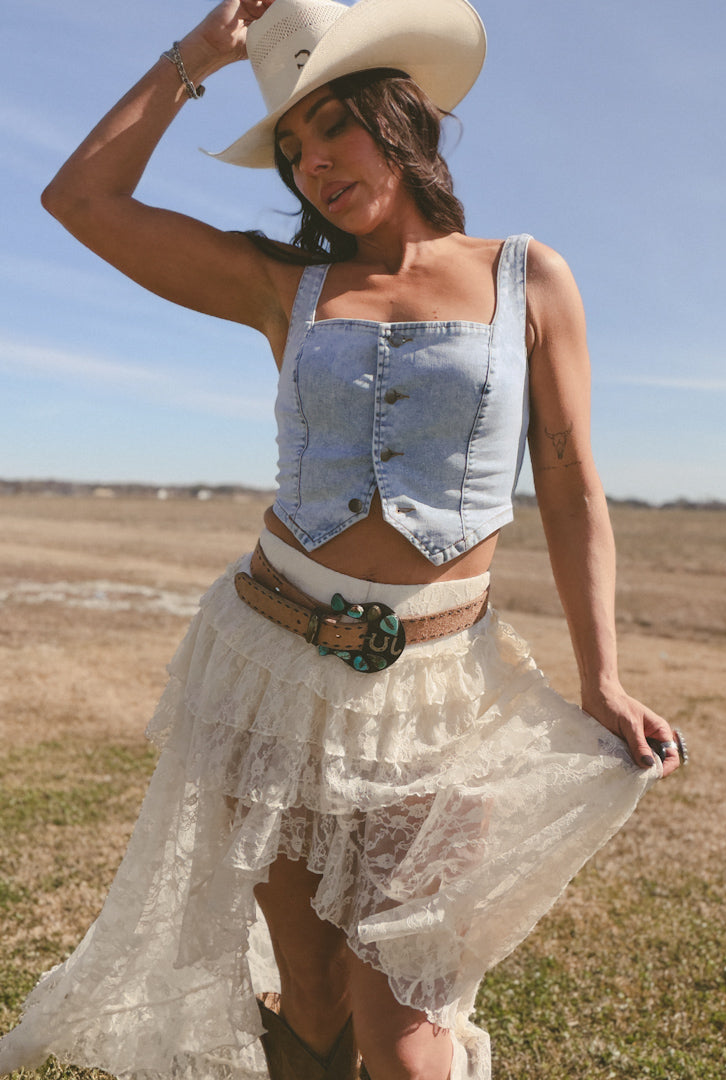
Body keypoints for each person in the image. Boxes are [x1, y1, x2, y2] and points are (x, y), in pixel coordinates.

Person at [0, 0, 686, 1077]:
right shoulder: (286, 285)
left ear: (399, 118)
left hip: (436, 686)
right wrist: (200, 54)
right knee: (312, 996)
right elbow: (78, 199)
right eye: (291, 150)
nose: (313, 166)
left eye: (333, 129)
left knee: (405, 1025)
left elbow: (568, 479)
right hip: (269, 662)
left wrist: (604, 677)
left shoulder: (527, 275)